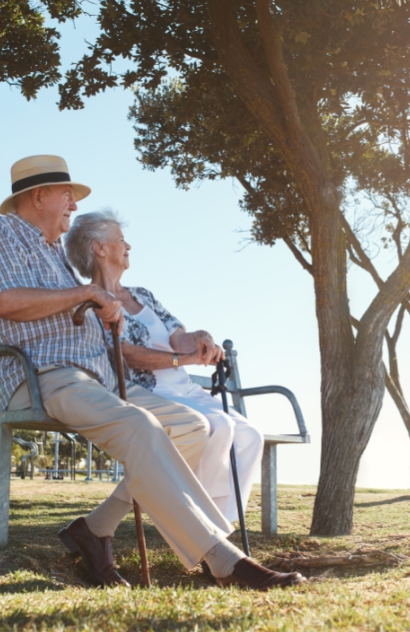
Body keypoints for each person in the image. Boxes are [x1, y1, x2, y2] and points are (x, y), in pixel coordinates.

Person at [0, 155, 303, 590]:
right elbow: (6, 302)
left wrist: (106, 319)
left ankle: (93, 529)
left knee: (190, 428)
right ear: (38, 196)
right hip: (46, 375)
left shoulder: (56, 254)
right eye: (67, 194)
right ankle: (223, 558)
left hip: (99, 380)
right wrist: (88, 293)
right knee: (142, 426)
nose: (73, 203)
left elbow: (80, 310)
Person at [64, 210, 263, 525]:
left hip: (184, 387)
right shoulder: (94, 303)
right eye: (121, 240)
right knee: (220, 428)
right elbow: (125, 354)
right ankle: (202, 521)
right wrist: (182, 360)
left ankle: (221, 522)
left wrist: (201, 340)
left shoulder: (143, 295)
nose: (128, 246)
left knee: (251, 434)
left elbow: (178, 336)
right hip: (149, 391)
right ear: (99, 248)